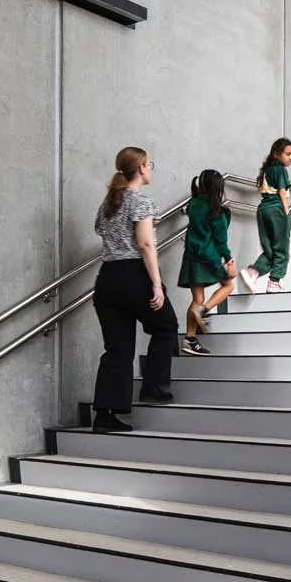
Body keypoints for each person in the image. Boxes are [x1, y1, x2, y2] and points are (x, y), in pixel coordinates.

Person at [91, 147, 178, 434]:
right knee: (166, 326)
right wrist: (156, 284)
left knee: (117, 349)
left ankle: (104, 415)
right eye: (149, 164)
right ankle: (153, 388)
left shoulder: (108, 204)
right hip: (134, 276)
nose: (150, 168)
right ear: (141, 168)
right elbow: (145, 245)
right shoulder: (140, 201)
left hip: (107, 280)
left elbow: (100, 232)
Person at [178, 169, 236, 355]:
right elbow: (220, 240)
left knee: (197, 298)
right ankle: (203, 311)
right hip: (209, 258)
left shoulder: (193, 204)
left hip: (191, 257)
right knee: (228, 286)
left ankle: (190, 339)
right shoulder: (215, 209)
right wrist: (229, 261)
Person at [240, 138, 291, 294]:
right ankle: (274, 281)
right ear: (276, 154)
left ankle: (253, 272)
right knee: (282, 249)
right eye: (288, 154)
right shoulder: (280, 170)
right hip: (277, 210)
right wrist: (286, 213)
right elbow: (282, 193)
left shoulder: (267, 170)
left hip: (263, 210)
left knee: (271, 250)